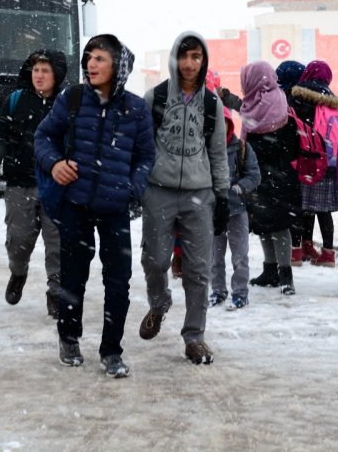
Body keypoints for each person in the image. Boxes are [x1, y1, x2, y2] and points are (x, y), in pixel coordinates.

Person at [34, 35, 155, 377]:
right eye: (89, 57)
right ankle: (69, 337)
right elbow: (43, 137)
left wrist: (132, 188)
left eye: (100, 58)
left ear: (118, 66)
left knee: (118, 282)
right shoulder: (71, 99)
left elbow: (146, 156)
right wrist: (55, 163)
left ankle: (112, 351)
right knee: (73, 277)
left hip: (115, 208)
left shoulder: (136, 109)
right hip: (75, 204)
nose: (92, 64)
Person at [138, 32, 229, 366]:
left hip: (199, 195)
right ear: (174, 58)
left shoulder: (212, 104)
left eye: (196, 57)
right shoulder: (155, 97)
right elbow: (142, 149)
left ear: (203, 61)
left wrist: (222, 196)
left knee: (198, 270)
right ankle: (159, 304)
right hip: (158, 192)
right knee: (156, 261)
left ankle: (195, 337)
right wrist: (139, 188)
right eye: (184, 56)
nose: (189, 64)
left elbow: (218, 154)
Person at [0, 50, 68, 317]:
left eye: (45, 71)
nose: (39, 76)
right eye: (36, 70)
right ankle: (18, 272)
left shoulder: (67, 104)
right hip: (19, 184)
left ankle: (56, 293)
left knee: (57, 244)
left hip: (56, 187)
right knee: (19, 242)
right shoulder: (14, 101)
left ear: (56, 75)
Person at [241, 60, 301, 296]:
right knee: (265, 224)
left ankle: (285, 274)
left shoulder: (269, 104)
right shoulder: (266, 103)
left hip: (271, 174)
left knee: (275, 224)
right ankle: (272, 270)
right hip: (276, 174)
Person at [290, 60, 338, 267]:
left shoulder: (297, 98)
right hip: (329, 164)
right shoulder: (331, 101)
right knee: (325, 211)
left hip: (306, 160)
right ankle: (328, 254)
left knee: (300, 208)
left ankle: (296, 251)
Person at [209, 105, 261, 309]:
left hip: (237, 210)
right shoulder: (204, 149)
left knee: (240, 255)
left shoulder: (242, 148)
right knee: (214, 256)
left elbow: (254, 175)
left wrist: (241, 187)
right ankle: (218, 290)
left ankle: (240, 293)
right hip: (212, 211)